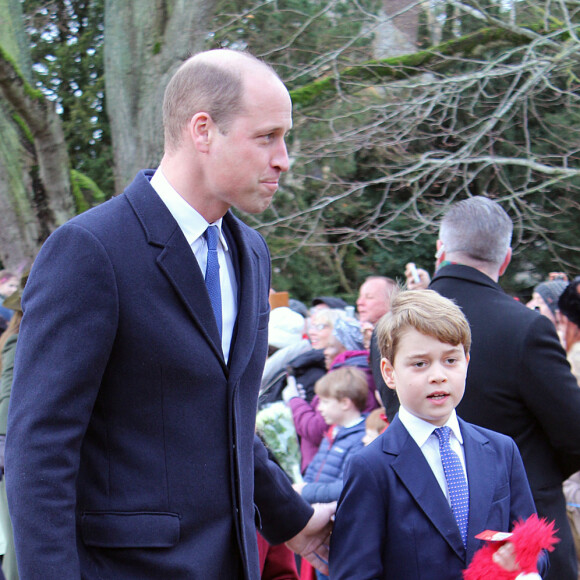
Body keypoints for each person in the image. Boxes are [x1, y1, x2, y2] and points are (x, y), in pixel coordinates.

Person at [4, 49, 333, 579]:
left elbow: (224, 419)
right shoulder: (90, 250)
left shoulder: (251, 253)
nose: (284, 159)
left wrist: (292, 519)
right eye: (267, 136)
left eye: (285, 138)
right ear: (203, 130)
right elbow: (39, 452)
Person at [329, 289, 547, 579]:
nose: (438, 375)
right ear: (390, 372)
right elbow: (356, 573)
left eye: (450, 360)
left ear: (467, 362)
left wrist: (518, 561)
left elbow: (535, 546)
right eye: (420, 363)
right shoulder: (371, 466)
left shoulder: (500, 449)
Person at [427, 195, 580, 580]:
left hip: (424, 529)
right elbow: (575, 433)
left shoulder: (393, 328)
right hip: (521, 535)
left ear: (440, 249)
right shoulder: (525, 328)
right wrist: (534, 470)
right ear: (506, 258)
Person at [293, 367, 368, 505]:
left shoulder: (362, 439)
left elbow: (345, 486)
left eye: (325, 402)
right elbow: (313, 468)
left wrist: (305, 491)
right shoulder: (332, 432)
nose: (319, 408)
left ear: (345, 403)